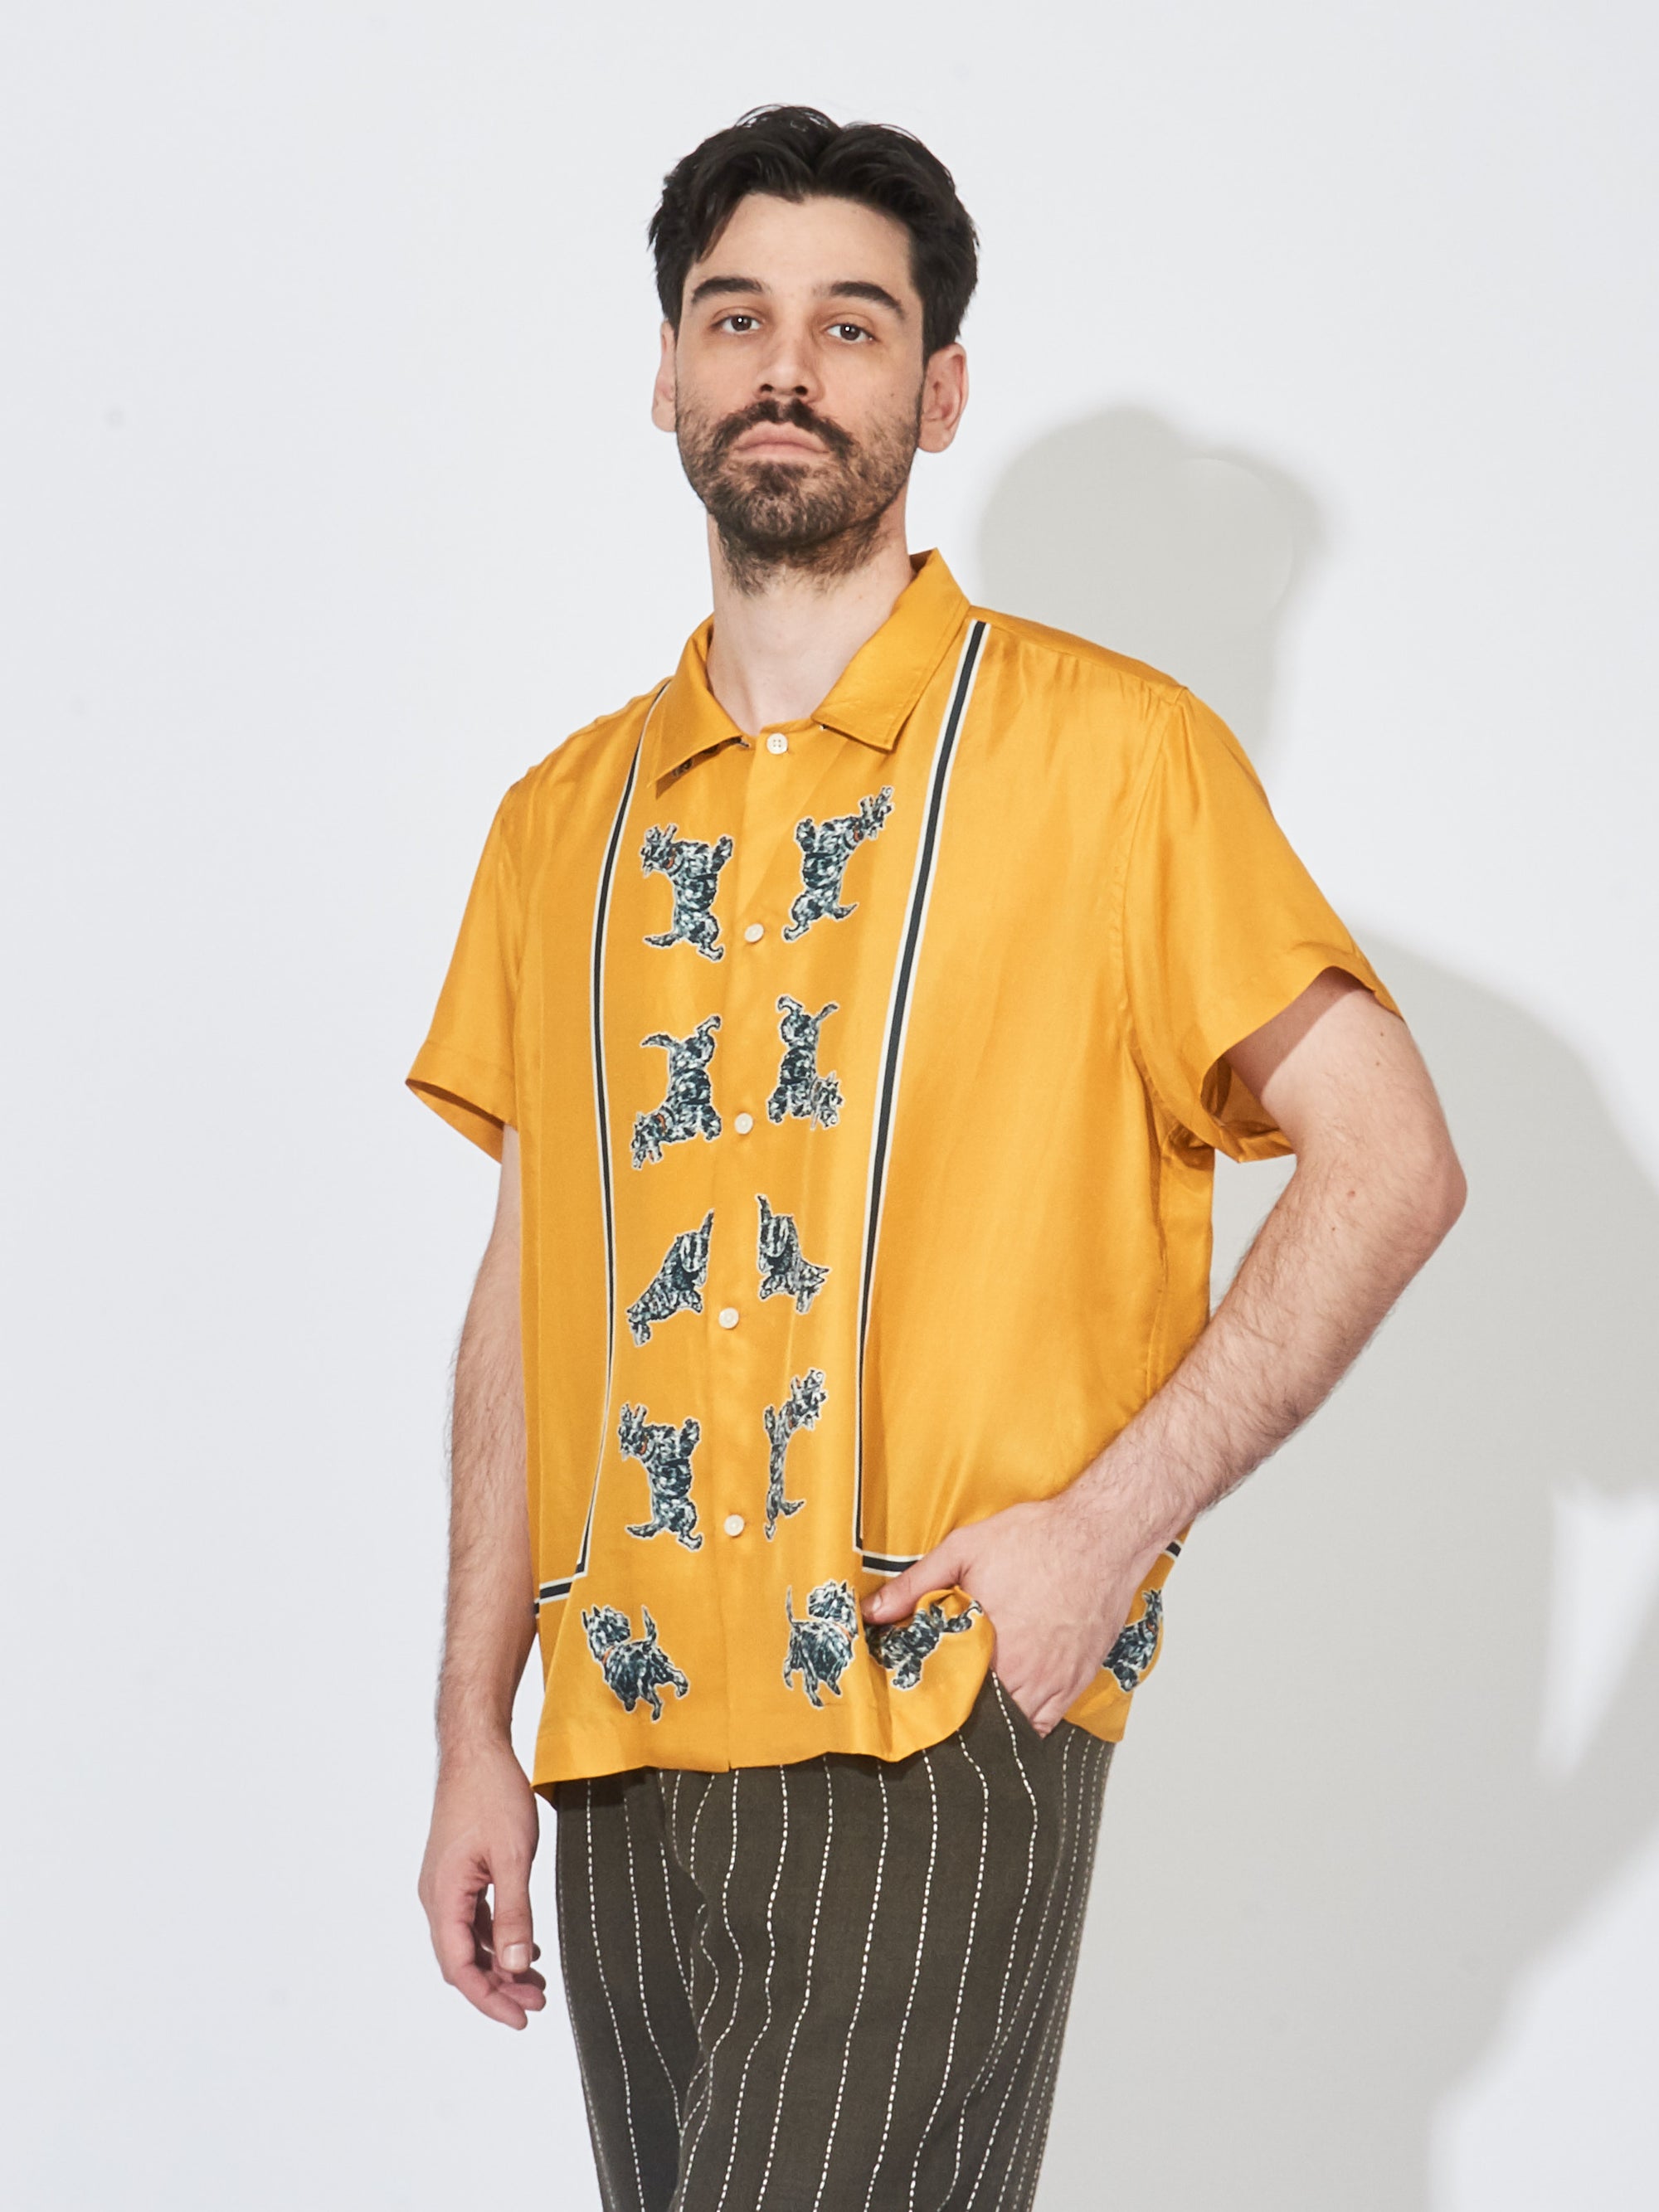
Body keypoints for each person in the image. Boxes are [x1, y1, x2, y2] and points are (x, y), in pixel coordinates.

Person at [407, 105, 1465, 2212]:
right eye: (736, 317)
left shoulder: (1115, 758)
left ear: (940, 388)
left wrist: (1108, 1527)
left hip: (925, 1717)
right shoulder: (558, 822)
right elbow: (530, 1278)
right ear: (667, 372)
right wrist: (468, 1722)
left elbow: (1391, 1159)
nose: (785, 366)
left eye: (851, 324)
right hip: (617, 1761)